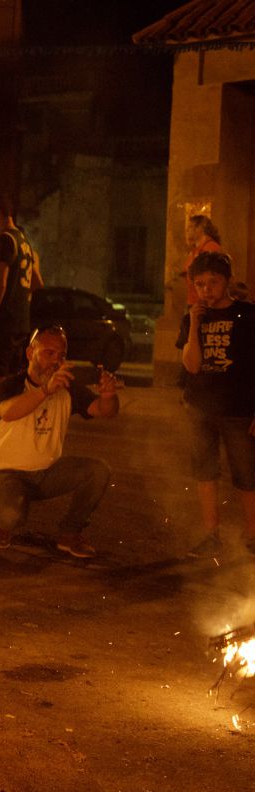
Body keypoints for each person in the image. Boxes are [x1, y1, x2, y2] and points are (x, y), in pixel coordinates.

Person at [0, 327, 119, 558]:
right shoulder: (11, 385)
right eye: (49, 353)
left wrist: (108, 394)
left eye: (61, 355)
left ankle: (70, 533)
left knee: (98, 471)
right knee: (10, 516)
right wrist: (45, 390)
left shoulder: (67, 387)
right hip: (4, 473)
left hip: (47, 472)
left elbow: (105, 411)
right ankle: (2, 525)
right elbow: (8, 412)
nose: (55, 361)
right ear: (30, 353)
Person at [177, 251, 255, 558]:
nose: (207, 289)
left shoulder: (248, 316)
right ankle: (211, 534)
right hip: (200, 408)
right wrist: (194, 324)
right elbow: (192, 365)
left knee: (247, 474)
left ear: (228, 281)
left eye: (213, 282)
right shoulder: (192, 318)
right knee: (205, 473)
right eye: (200, 284)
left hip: (238, 409)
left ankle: (252, 535)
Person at [0, 193, 42, 398]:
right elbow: (37, 283)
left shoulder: (5, 240)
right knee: (14, 376)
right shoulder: (24, 241)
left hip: (4, 321)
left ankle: (8, 412)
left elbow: (0, 284)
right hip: (21, 321)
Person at [184, 215, 223, 306]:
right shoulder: (195, 250)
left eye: (190, 227)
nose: (187, 230)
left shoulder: (211, 248)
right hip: (193, 300)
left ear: (200, 228)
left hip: (205, 302)